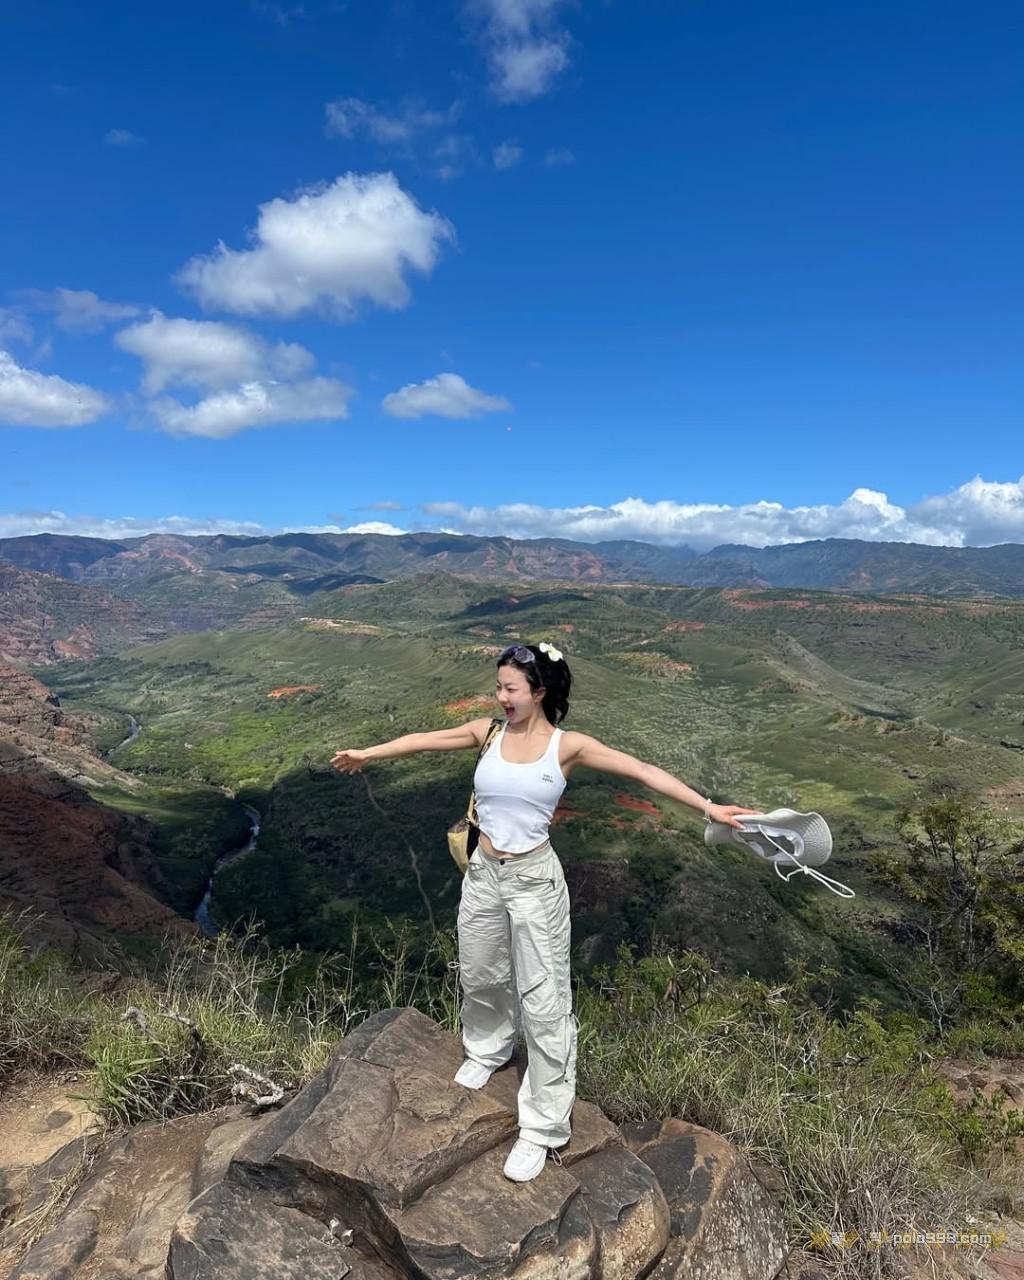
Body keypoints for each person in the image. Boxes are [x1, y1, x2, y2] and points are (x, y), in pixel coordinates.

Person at [330, 641, 757, 1183]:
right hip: (484, 873)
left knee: (544, 998)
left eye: (510, 688)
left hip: (534, 882)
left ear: (539, 691)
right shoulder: (488, 733)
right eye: (499, 687)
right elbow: (424, 740)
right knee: (480, 970)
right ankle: (487, 1049)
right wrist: (367, 754)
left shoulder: (567, 746)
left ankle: (542, 1126)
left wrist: (709, 807)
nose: (501, 697)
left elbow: (642, 770)